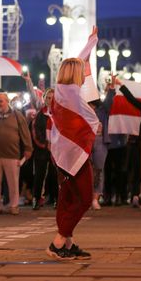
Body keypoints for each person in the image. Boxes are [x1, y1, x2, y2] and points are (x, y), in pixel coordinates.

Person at [46, 27, 100, 261]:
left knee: (68, 198)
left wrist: (90, 43)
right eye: (81, 71)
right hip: (73, 154)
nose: (83, 73)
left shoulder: (61, 91)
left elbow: (77, 61)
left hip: (62, 154)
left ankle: (68, 244)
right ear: (74, 74)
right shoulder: (72, 94)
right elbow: (90, 120)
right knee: (85, 198)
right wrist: (91, 43)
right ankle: (59, 240)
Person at [0, 92, 32, 215]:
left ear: (7, 102)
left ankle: (14, 206)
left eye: (1, 101)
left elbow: (25, 133)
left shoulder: (17, 116)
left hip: (12, 154)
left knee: (13, 182)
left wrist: (28, 148)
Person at [90, 87, 114, 210]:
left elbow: (109, 101)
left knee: (99, 170)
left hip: (99, 141)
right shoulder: (82, 110)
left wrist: (111, 89)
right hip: (85, 142)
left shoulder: (102, 110)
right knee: (86, 171)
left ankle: (95, 198)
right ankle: (86, 198)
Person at [31, 88, 54, 210]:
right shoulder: (40, 115)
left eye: (52, 98)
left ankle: (56, 198)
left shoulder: (59, 114)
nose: (50, 100)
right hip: (42, 150)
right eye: (48, 98)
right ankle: (36, 198)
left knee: (54, 175)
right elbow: (36, 133)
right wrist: (45, 145)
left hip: (56, 150)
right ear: (44, 99)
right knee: (39, 174)